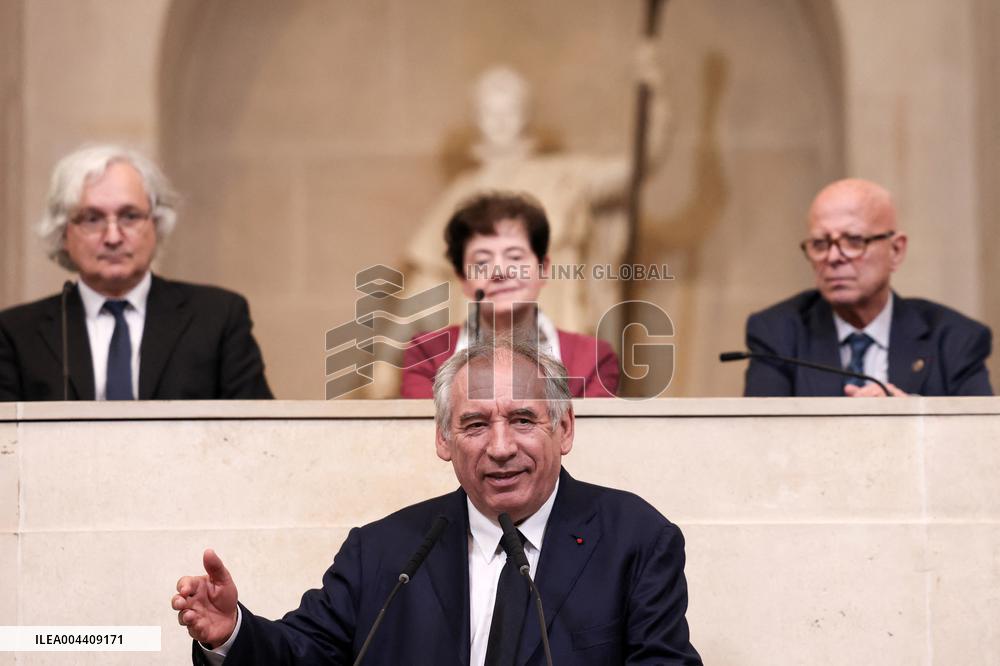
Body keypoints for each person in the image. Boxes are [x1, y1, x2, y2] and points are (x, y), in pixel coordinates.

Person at [173, 338, 701, 665]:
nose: (499, 447)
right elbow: (304, 655)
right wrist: (232, 633)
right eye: (474, 424)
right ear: (444, 440)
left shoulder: (634, 538)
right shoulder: (382, 551)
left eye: (522, 419)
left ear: (563, 428)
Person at [0, 144, 272, 401]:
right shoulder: (16, 333)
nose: (113, 237)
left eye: (129, 216)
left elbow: (261, 436)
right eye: (93, 218)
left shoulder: (217, 317)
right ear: (63, 233)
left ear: (156, 224)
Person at [744, 178, 992, 397]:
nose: (833, 257)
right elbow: (762, 440)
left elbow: (981, 442)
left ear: (896, 250)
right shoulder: (777, 333)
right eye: (820, 243)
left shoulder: (954, 339)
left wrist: (909, 420)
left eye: (854, 241)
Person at [400, 192, 619, 398]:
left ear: (543, 269)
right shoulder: (426, 353)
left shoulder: (593, 359)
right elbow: (426, 435)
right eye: (482, 261)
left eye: (515, 257)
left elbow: (587, 437)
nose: (500, 272)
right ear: (463, 280)